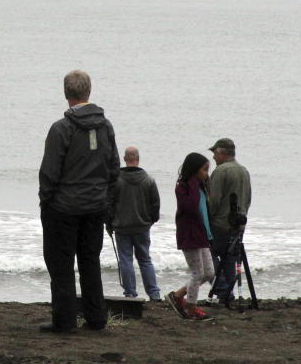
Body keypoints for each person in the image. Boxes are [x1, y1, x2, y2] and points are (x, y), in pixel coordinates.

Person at [38, 70, 119, 333]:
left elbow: (49, 172)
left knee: (61, 265)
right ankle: (96, 318)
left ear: (66, 94)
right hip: (95, 206)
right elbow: (113, 169)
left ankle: (65, 321)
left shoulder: (61, 128)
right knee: (89, 262)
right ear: (89, 91)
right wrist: (106, 201)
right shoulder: (105, 126)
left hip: (64, 208)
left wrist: (45, 203)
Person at [166, 153, 214, 321]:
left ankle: (178, 295)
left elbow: (205, 212)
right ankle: (191, 308)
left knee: (209, 272)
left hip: (202, 235)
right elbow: (192, 207)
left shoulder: (201, 187)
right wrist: (193, 181)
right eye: (204, 170)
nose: (206, 174)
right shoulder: (184, 187)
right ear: (194, 170)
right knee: (197, 273)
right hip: (189, 235)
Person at [111, 146, 161, 301]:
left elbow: (109, 204)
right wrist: (150, 220)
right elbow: (155, 205)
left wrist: (109, 223)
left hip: (122, 227)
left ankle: (130, 294)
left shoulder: (116, 181)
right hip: (142, 226)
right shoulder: (148, 180)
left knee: (126, 260)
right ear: (138, 159)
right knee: (145, 260)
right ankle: (154, 294)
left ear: (125, 159)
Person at [206, 137, 251, 306]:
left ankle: (223, 289)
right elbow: (248, 199)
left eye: (215, 154)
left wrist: (207, 219)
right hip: (239, 223)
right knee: (231, 258)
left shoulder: (221, 171)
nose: (213, 158)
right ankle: (228, 293)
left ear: (222, 153)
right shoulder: (244, 171)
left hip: (220, 224)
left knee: (208, 256)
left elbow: (214, 201)